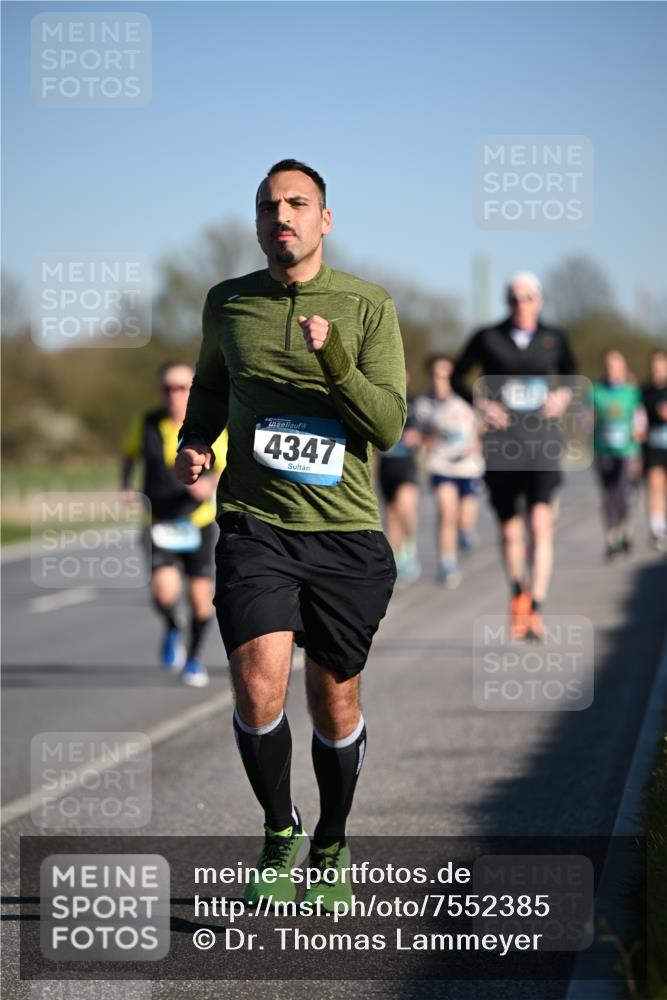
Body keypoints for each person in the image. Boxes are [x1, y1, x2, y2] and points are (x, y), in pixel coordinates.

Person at [174, 159, 405, 909]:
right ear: (258, 223)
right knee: (255, 685)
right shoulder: (228, 303)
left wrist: (332, 355)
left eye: (298, 203)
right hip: (255, 524)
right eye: (270, 205)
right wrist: (195, 439)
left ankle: (331, 842)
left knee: (333, 702)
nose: (284, 215)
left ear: (324, 220)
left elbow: (387, 426)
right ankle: (280, 830)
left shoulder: (368, 306)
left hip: (343, 534)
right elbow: (210, 383)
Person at [452, 272, 577, 640]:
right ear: (506, 302)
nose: (520, 303)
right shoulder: (487, 337)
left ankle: (535, 606)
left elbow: (570, 372)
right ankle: (518, 591)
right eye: (513, 298)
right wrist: (482, 405)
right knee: (510, 532)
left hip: (542, 443)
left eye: (527, 297)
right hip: (503, 444)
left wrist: (562, 397)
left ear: (539, 301)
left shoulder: (554, 338)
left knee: (540, 524)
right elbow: (458, 377)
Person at [121, 362, 227, 687]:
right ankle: (171, 624)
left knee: (199, 600)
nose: (173, 395)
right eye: (167, 388)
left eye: (181, 388)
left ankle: (193, 659)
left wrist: (208, 486)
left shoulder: (209, 425)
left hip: (197, 522)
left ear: (192, 390)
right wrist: (126, 485)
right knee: (163, 594)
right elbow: (129, 454)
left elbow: (224, 466)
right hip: (159, 520)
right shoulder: (147, 423)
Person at [414, 354, 484, 588]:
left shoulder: (466, 400)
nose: (440, 380)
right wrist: (423, 439)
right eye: (436, 375)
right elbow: (421, 434)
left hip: (468, 466)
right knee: (446, 512)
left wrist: (480, 441)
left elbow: (484, 423)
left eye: (445, 376)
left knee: (464, 519)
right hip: (441, 464)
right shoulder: (424, 405)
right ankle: (447, 563)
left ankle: (465, 533)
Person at [589, 350, 644, 559]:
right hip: (603, 450)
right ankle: (612, 536)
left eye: (616, 366)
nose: (612, 370)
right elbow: (583, 417)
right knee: (608, 494)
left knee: (622, 492)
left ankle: (624, 526)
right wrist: (591, 417)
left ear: (623, 368)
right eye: (609, 366)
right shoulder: (595, 390)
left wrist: (638, 431)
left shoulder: (632, 392)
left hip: (627, 450)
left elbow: (640, 417)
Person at [377, 374, 421, 582]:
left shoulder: (414, 402)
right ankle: (395, 559)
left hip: (407, 464)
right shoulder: (382, 399)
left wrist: (418, 437)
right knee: (392, 514)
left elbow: (428, 429)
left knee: (405, 506)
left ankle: (410, 545)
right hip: (387, 465)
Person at [641, 349, 667, 552]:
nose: (657, 370)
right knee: (655, 484)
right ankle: (657, 528)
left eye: (661, 366)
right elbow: (638, 420)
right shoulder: (645, 392)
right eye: (654, 367)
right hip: (654, 446)